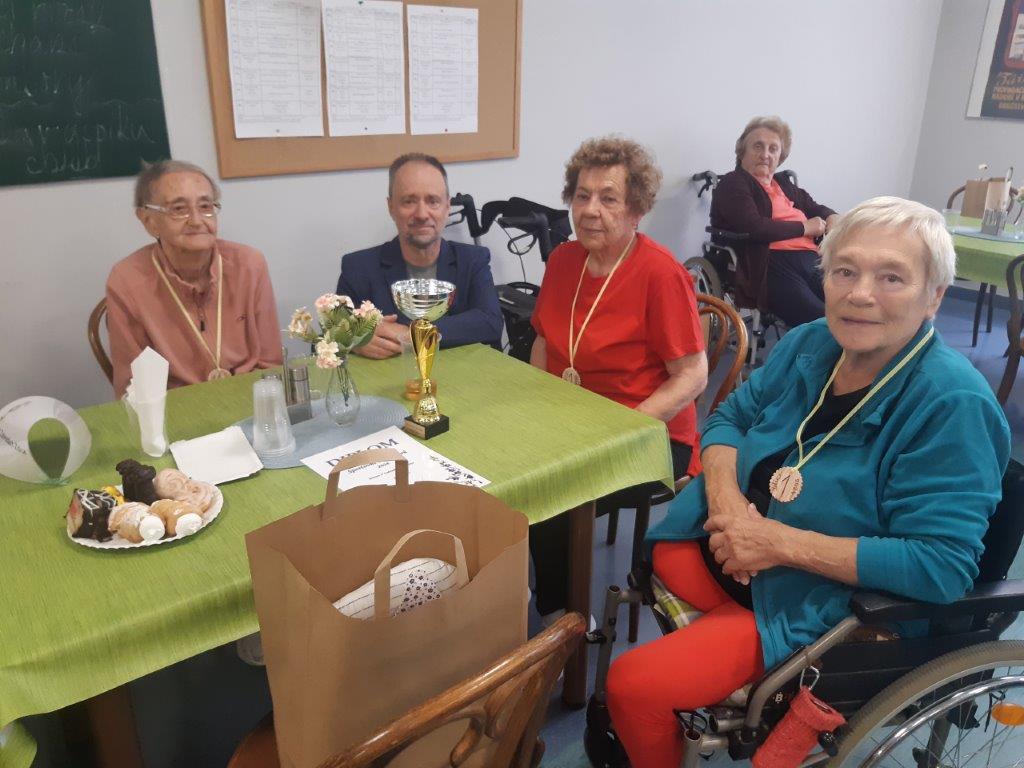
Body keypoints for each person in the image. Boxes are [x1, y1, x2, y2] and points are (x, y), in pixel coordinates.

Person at [605, 197, 1011, 768]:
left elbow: (940, 566)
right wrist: (729, 508)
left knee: (631, 685)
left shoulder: (952, 405)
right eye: (844, 271)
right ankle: (735, 657)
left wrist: (774, 543)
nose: (859, 293)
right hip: (738, 545)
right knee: (668, 552)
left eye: (891, 277)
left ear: (934, 296)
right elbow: (728, 419)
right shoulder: (813, 341)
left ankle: (751, 669)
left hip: (825, 602)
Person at [528, 136, 709, 622]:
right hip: (571, 420)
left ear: (636, 210)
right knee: (505, 467)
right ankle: (514, 590)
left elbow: (693, 375)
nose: (591, 210)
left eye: (608, 198)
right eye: (582, 195)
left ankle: (564, 622)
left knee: (551, 495)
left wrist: (624, 429)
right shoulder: (563, 260)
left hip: (648, 434)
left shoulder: (660, 274)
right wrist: (535, 404)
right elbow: (543, 341)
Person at [106, 161, 282, 398]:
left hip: (251, 396)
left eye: (206, 206)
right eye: (179, 209)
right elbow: (133, 388)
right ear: (148, 220)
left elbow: (271, 364)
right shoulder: (127, 280)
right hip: (175, 406)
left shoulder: (249, 265)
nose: (197, 220)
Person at [336, 153, 503, 358]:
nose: (422, 214)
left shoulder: (473, 260)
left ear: (447, 207)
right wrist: (354, 340)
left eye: (433, 201)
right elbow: (326, 340)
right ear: (391, 207)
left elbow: (490, 322)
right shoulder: (358, 268)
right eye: (409, 201)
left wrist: (411, 335)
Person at [711, 115, 838, 327]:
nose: (765, 155)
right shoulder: (734, 183)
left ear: (780, 156)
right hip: (769, 261)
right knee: (820, 320)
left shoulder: (783, 184)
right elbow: (753, 227)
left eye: (773, 149)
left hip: (811, 258)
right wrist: (805, 227)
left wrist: (832, 217)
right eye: (758, 146)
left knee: (847, 305)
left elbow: (814, 207)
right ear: (742, 151)